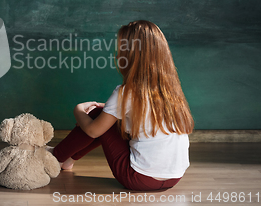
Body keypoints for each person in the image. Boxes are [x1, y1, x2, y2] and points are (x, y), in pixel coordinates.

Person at [51, 20, 194, 191]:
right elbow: (143, 112)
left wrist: (79, 110)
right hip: (174, 178)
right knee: (108, 116)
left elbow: (92, 131)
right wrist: (110, 110)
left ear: (131, 57)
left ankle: (55, 157)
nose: (117, 56)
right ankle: (68, 160)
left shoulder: (126, 93)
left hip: (137, 178)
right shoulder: (170, 92)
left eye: (121, 50)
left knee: (98, 115)